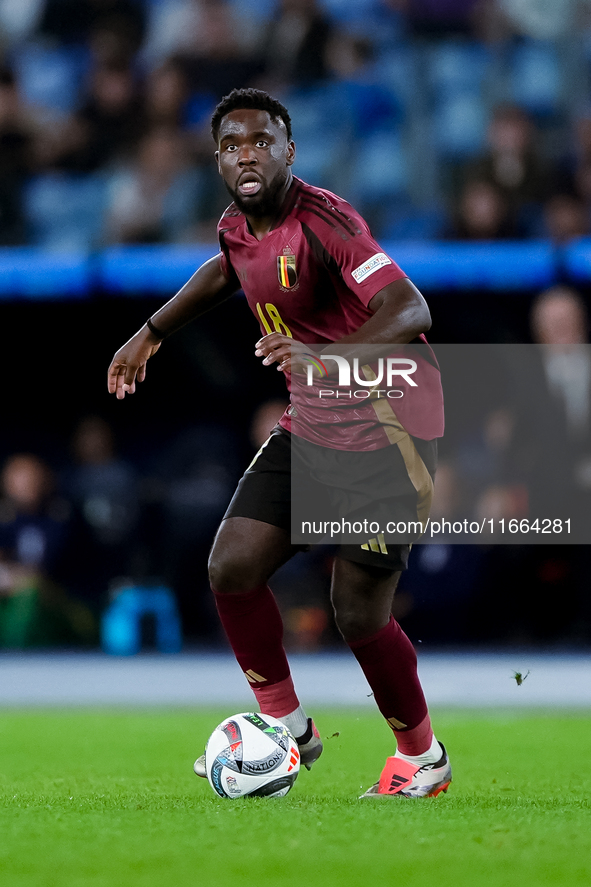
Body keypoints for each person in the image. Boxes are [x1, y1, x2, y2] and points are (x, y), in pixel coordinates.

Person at [107, 87, 451, 799]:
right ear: (217, 159)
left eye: (260, 140)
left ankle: (422, 757)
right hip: (313, 422)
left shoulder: (327, 221)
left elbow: (409, 305)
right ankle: (288, 727)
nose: (246, 154)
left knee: (356, 609)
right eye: (232, 145)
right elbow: (224, 271)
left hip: (391, 428)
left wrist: (325, 359)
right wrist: (151, 331)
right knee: (231, 565)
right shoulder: (236, 225)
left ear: (289, 151)